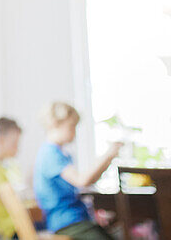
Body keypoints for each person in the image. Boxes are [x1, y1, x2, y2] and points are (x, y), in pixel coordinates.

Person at [33, 102, 121, 240]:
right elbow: (82, 181)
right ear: (56, 124)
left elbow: (86, 182)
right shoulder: (51, 155)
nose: (74, 132)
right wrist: (108, 155)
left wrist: (108, 160)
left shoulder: (59, 153)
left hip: (74, 219)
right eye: (71, 126)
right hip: (66, 223)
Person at [0, 117, 42, 239]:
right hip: (12, 230)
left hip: (15, 227)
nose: (17, 148)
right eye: (14, 143)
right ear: (0, 140)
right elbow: (14, 206)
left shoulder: (6, 167)